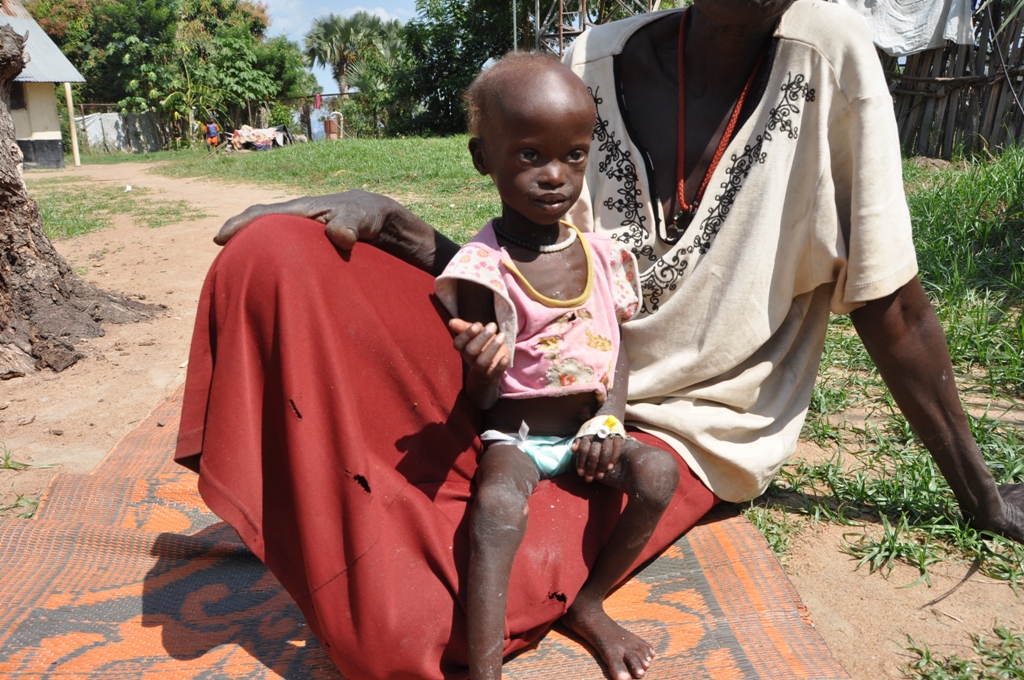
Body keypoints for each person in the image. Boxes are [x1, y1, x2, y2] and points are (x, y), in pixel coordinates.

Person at [179, 0, 1024, 678]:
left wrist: (981, 497)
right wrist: (390, 220)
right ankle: (356, 510)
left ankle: (408, 547)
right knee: (278, 254)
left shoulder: (829, 50)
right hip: (527, 387)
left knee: (411, 631)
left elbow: (891, 298)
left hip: (671, 423)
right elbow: (524, 269)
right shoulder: (589, 61)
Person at [437, 53, 679, 679]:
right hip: (516, 438)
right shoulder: (483, 268)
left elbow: (617, 348)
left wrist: (611, 421)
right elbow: (483, 402)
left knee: (657, 474)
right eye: (528, 155)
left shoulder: (603, 257)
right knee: (494, 509)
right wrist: (483, 369)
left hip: (586, 434)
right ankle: (483, 672)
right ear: (482, 157)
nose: (555, 176)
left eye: (573, 155)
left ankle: (590, 604)